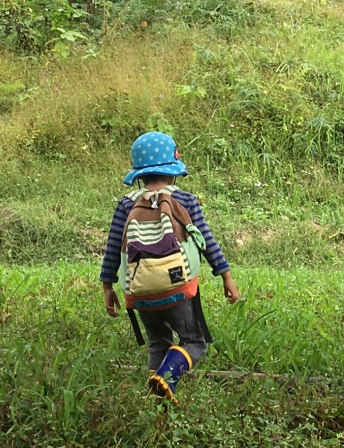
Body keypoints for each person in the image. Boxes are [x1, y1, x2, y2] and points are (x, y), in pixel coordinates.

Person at [101, 131, 240, 399]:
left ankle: (156, 400)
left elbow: (112, 248)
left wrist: (108, 286)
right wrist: (226, 275)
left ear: (139, 172)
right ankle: (167, 380)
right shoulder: (184, 200)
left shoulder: (126, 204)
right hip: (179, 289)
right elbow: (206, 240)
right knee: (194, 342)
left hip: (140, 290)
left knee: (157, 342)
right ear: (172, 171)